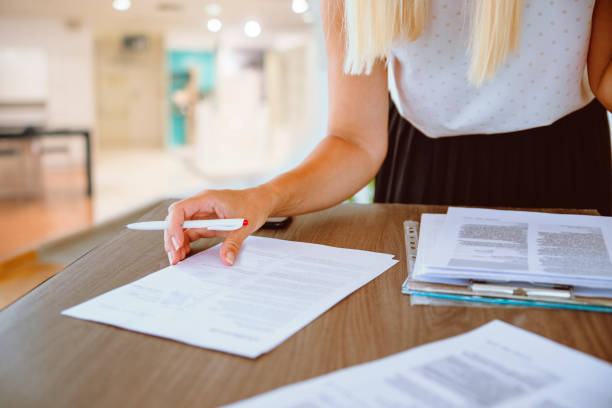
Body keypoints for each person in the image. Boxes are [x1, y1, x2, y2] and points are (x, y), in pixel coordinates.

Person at [165, 0, 612, 266]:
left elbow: (603, 79)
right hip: (422, 174)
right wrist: (260, 197)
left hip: (568, 166)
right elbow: (354, 140)